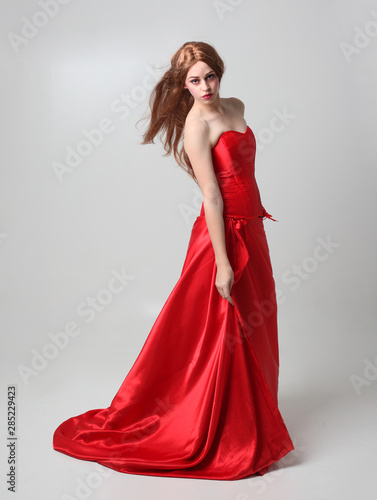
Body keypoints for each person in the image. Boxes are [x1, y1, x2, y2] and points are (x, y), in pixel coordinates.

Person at [53, 41, 294, 480]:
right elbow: (212, 197)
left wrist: (251, 229)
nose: (205, 87)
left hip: (253, 227)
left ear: (220, 73)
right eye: (194, 81)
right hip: (222, 235)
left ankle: (257, 419)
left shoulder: (237, 106)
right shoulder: (196, 126)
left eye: (210, 76)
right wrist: (223, 262)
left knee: (259, 319)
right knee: (222, 329)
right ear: (184, 85)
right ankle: (227, 432)